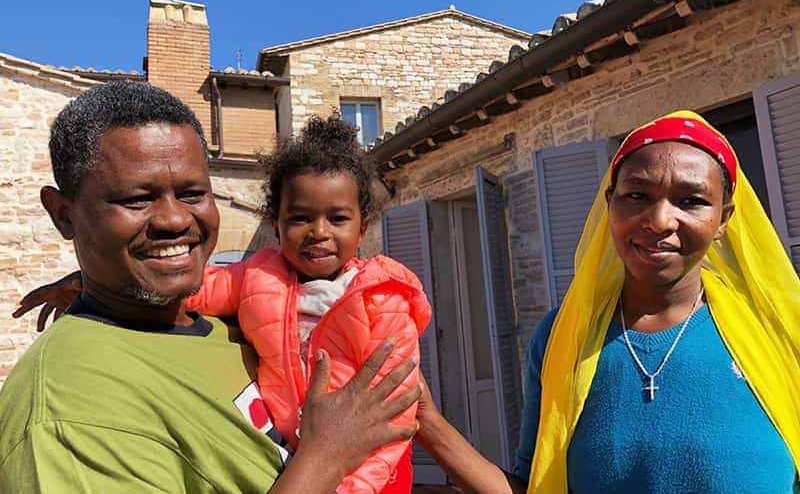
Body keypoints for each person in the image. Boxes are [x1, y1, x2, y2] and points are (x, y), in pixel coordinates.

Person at [0, 81, 420, 493]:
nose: (174, 220)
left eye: (193, 193)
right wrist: (327, 457)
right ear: (63, 215)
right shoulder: (68, 413)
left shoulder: (222, 327)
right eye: (136, 199)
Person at [412, 110, 799, 493]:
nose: (660, 220)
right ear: (610, 204)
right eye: (637, 196)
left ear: (724, 219)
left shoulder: (779, 329)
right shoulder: (562, 338)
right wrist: (427, 420)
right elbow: (534, 486)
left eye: (691, 201)